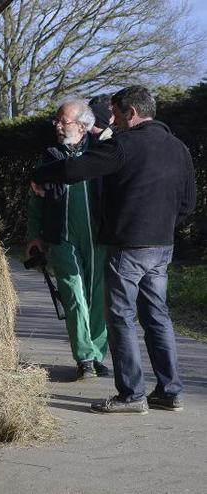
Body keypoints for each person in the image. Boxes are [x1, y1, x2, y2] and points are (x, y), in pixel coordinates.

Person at [31, 86, 196, 415]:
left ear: (132, 114)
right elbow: (188, 203)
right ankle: (169, 391)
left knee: (120, 317)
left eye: (117, 115)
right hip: (162, 247)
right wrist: (161, 226)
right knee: (158, 318)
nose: (113, 122)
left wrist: (38, 174)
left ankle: (132, 395)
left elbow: (73, 170)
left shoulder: (123, 146)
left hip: (127, 247)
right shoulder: (179, 148)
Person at [26, 99, 108, 380]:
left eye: (64, 121)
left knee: (98, 298)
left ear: (83, 126)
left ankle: (97, 353)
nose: (58, 126)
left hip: (99, 237)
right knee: (73, 294)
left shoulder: (100, 151)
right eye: (57, 121)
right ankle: (84, 357)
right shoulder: (49, 156)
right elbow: (34, 201)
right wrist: (34, 235)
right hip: (60, 237)